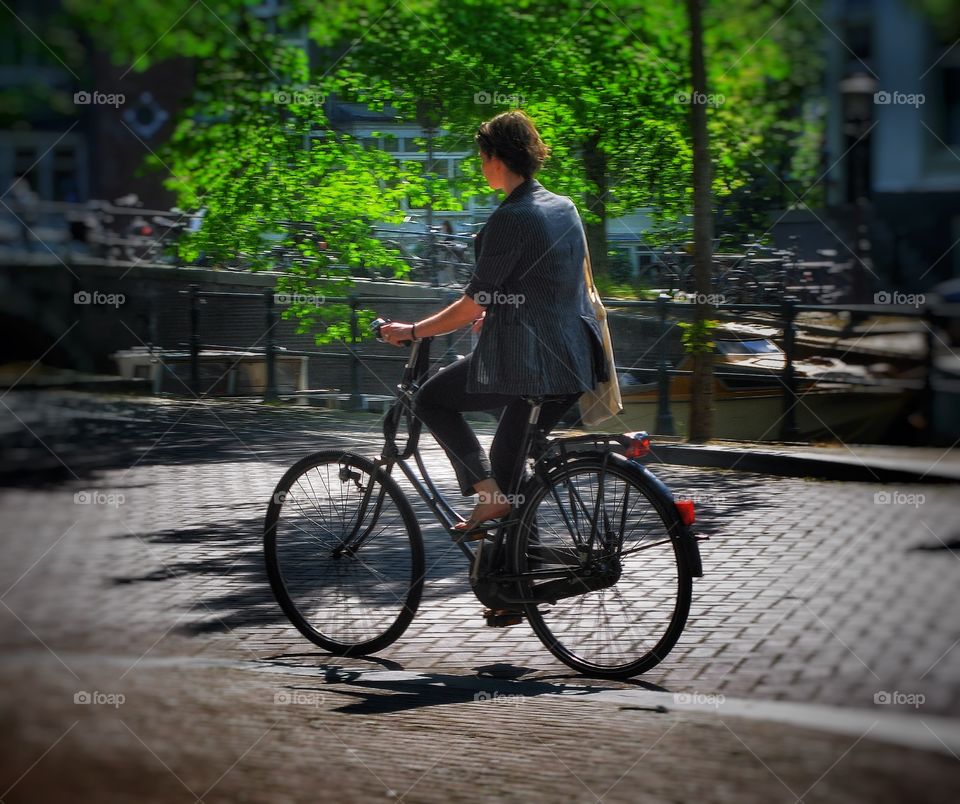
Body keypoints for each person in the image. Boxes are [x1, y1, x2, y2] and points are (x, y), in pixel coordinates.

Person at [380, 110, 604, 539]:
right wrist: (500, 310)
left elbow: (469, 305)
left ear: (495, 159)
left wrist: (410, 331)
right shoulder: (563, 206)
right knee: (508, 459)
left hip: (531, 363)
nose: (481, 166)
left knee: (431, 399)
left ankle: (489, 499)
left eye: (481, 157)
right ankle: (517, 580)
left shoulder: (511, 216)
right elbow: (552, 281)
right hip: (576, 360)